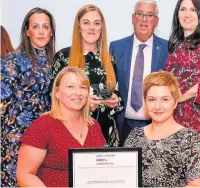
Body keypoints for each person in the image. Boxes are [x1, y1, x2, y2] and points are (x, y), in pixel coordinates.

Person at [16, 67, 105, 187]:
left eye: (83, 87)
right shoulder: (42, 126)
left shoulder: (94, 126)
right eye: (70, 87)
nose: (78, 93)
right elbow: (24, 175)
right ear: (57, 92)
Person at [164, 0, 200, 186]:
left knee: (199, 175)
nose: (187, 14)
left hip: (197, 119)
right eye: (183, 9)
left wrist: (171, 100)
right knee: (176, 174)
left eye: (193, 10)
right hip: (172, 118)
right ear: (177, 13)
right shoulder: (175, 44)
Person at [51, 4, 122, 147]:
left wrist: (115, 100)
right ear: (78, 27)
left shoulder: (109, 59)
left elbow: (116, 93)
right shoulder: (64, 57)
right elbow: (52, 96)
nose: (92, 28)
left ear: (102, 28)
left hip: (105, 133)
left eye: (97, 23)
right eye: (86, 23)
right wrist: (83, 104)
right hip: (72, 132)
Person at [124, 71, 200, 187]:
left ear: (175, 102)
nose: (158, 106)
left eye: (165, 99)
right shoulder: (135, 136)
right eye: (152, 99)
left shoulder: (188, 139)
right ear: (145, 102)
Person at [0, 7, 56, 187]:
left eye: (45, 27)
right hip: (17, 140)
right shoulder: (12, 61)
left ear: (51, 32)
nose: (41, 31)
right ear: (27, 31)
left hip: (46, 139)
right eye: (35, 26)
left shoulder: (55, 62)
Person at [109, 0, 168, 145]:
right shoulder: (116, 47)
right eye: (140, 14)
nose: (144, 19)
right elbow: (110, 85)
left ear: (156, 21)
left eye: (149, 15)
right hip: (123, 126)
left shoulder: (168, 48)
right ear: (133, 18)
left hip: (156, 125)